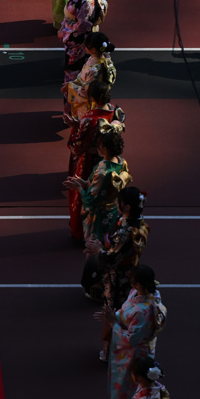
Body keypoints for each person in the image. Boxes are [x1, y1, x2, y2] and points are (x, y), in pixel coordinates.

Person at [100, 265, 167, 399]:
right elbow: (123, 313)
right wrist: (114, 317)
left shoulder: (144, 311)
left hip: (133, 355)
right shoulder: (142, 294)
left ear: (138, 284)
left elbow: (132, 339)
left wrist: (113, 324)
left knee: (126, 388)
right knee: (124, 387)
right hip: (132, 350)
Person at [67, 79, 125, 243]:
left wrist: (75, 127)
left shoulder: (90, 119)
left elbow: (77, 146)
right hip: (108, 157)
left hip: (90, 160)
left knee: (88, 194)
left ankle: (81, 232)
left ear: (92, 98)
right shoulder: (116, 112)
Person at [85, 187, 151, 318]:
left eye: (119, 201)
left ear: (127, 207)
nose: (116, 203)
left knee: (117, 309)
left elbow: (111, 259)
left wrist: (99, 250)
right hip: (130, 267)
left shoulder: (125, 232)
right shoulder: (136, 221)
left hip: (120, 276)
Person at [66, 129, 132, 246]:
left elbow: (91, 200)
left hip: (100, 215)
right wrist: (84, 182)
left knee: (97, 244)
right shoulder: (121, 162)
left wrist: (79, 189)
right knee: (110, 238)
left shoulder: (103, 172)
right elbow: (100, 185)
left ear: (104, 149)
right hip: (114, 209)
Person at [58, 0, 108, 95]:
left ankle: (72, 109)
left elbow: (81, 28)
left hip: (77, 44)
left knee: (74, 76)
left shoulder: (87, 2)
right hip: (72, 34)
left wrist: (65, 34)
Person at [64, 31, 116, 120]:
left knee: (86, 123)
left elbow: (86, 91)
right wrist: (75, 82)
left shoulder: (94, 70)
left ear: (94, 49)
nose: (85, 47)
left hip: (91, 102)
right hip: (98, 94)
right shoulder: (105, 59)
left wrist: (70, 87)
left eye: (86, 46)